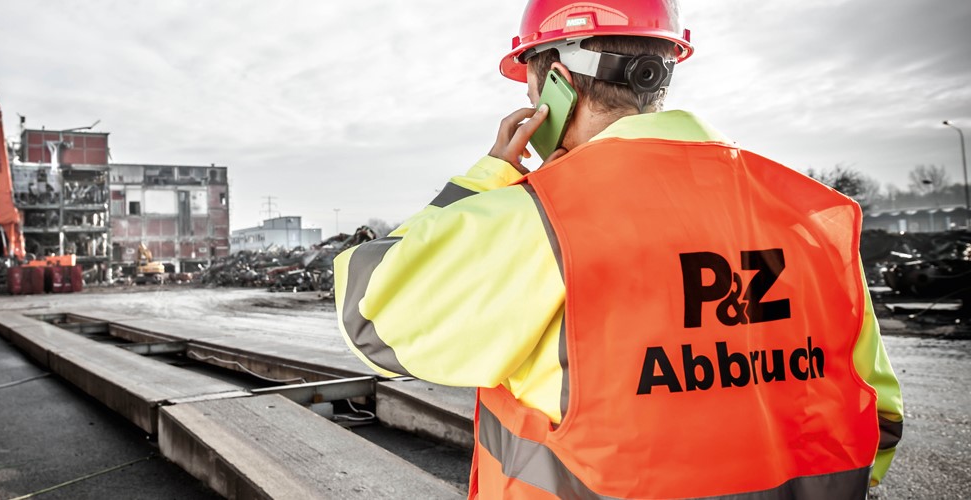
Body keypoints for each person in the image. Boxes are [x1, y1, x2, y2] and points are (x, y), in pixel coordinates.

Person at [333, 1, 904, 498]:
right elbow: (878, 417)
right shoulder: (809, 215)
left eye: (531, 84)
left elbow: (373, 315)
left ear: (553, 80)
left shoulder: (535, 219)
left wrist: (489, 176)